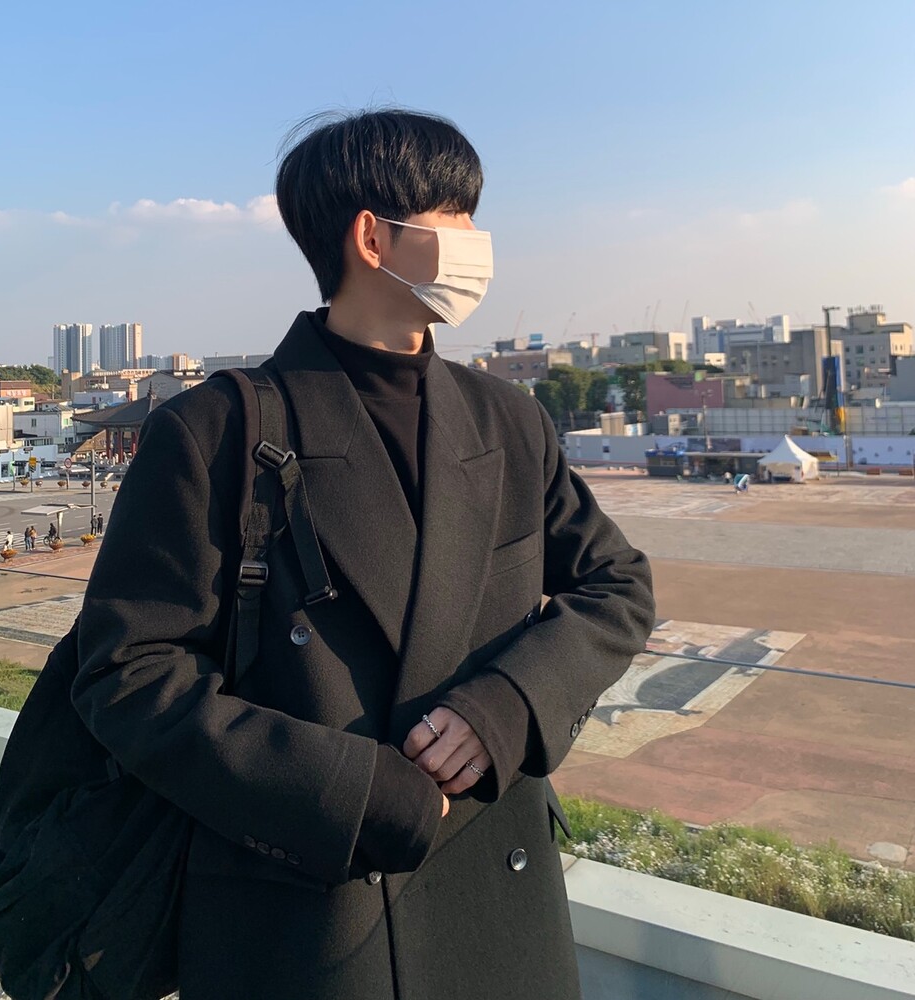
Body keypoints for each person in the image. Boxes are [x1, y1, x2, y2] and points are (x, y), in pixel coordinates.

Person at [72, 109, 655, 1000]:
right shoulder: (213, 431)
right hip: (307, 914)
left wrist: (506, 707)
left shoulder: (508, 420)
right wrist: (349, 792)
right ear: (373, 238)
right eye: (456, 216)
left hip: (499, 903)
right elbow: (128, 672)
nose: (478, 243)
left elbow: (617, 586)